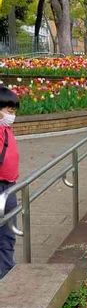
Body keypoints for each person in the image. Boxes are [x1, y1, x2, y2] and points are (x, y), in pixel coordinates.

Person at [0, 86, 21, 281]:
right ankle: (5, 272)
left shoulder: (6, 128)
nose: (11, 115)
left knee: (8, 232)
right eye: (8, 110)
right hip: (2, 188)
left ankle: (6, 268)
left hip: (10, 185)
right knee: (6, 233)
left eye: (13, 111)